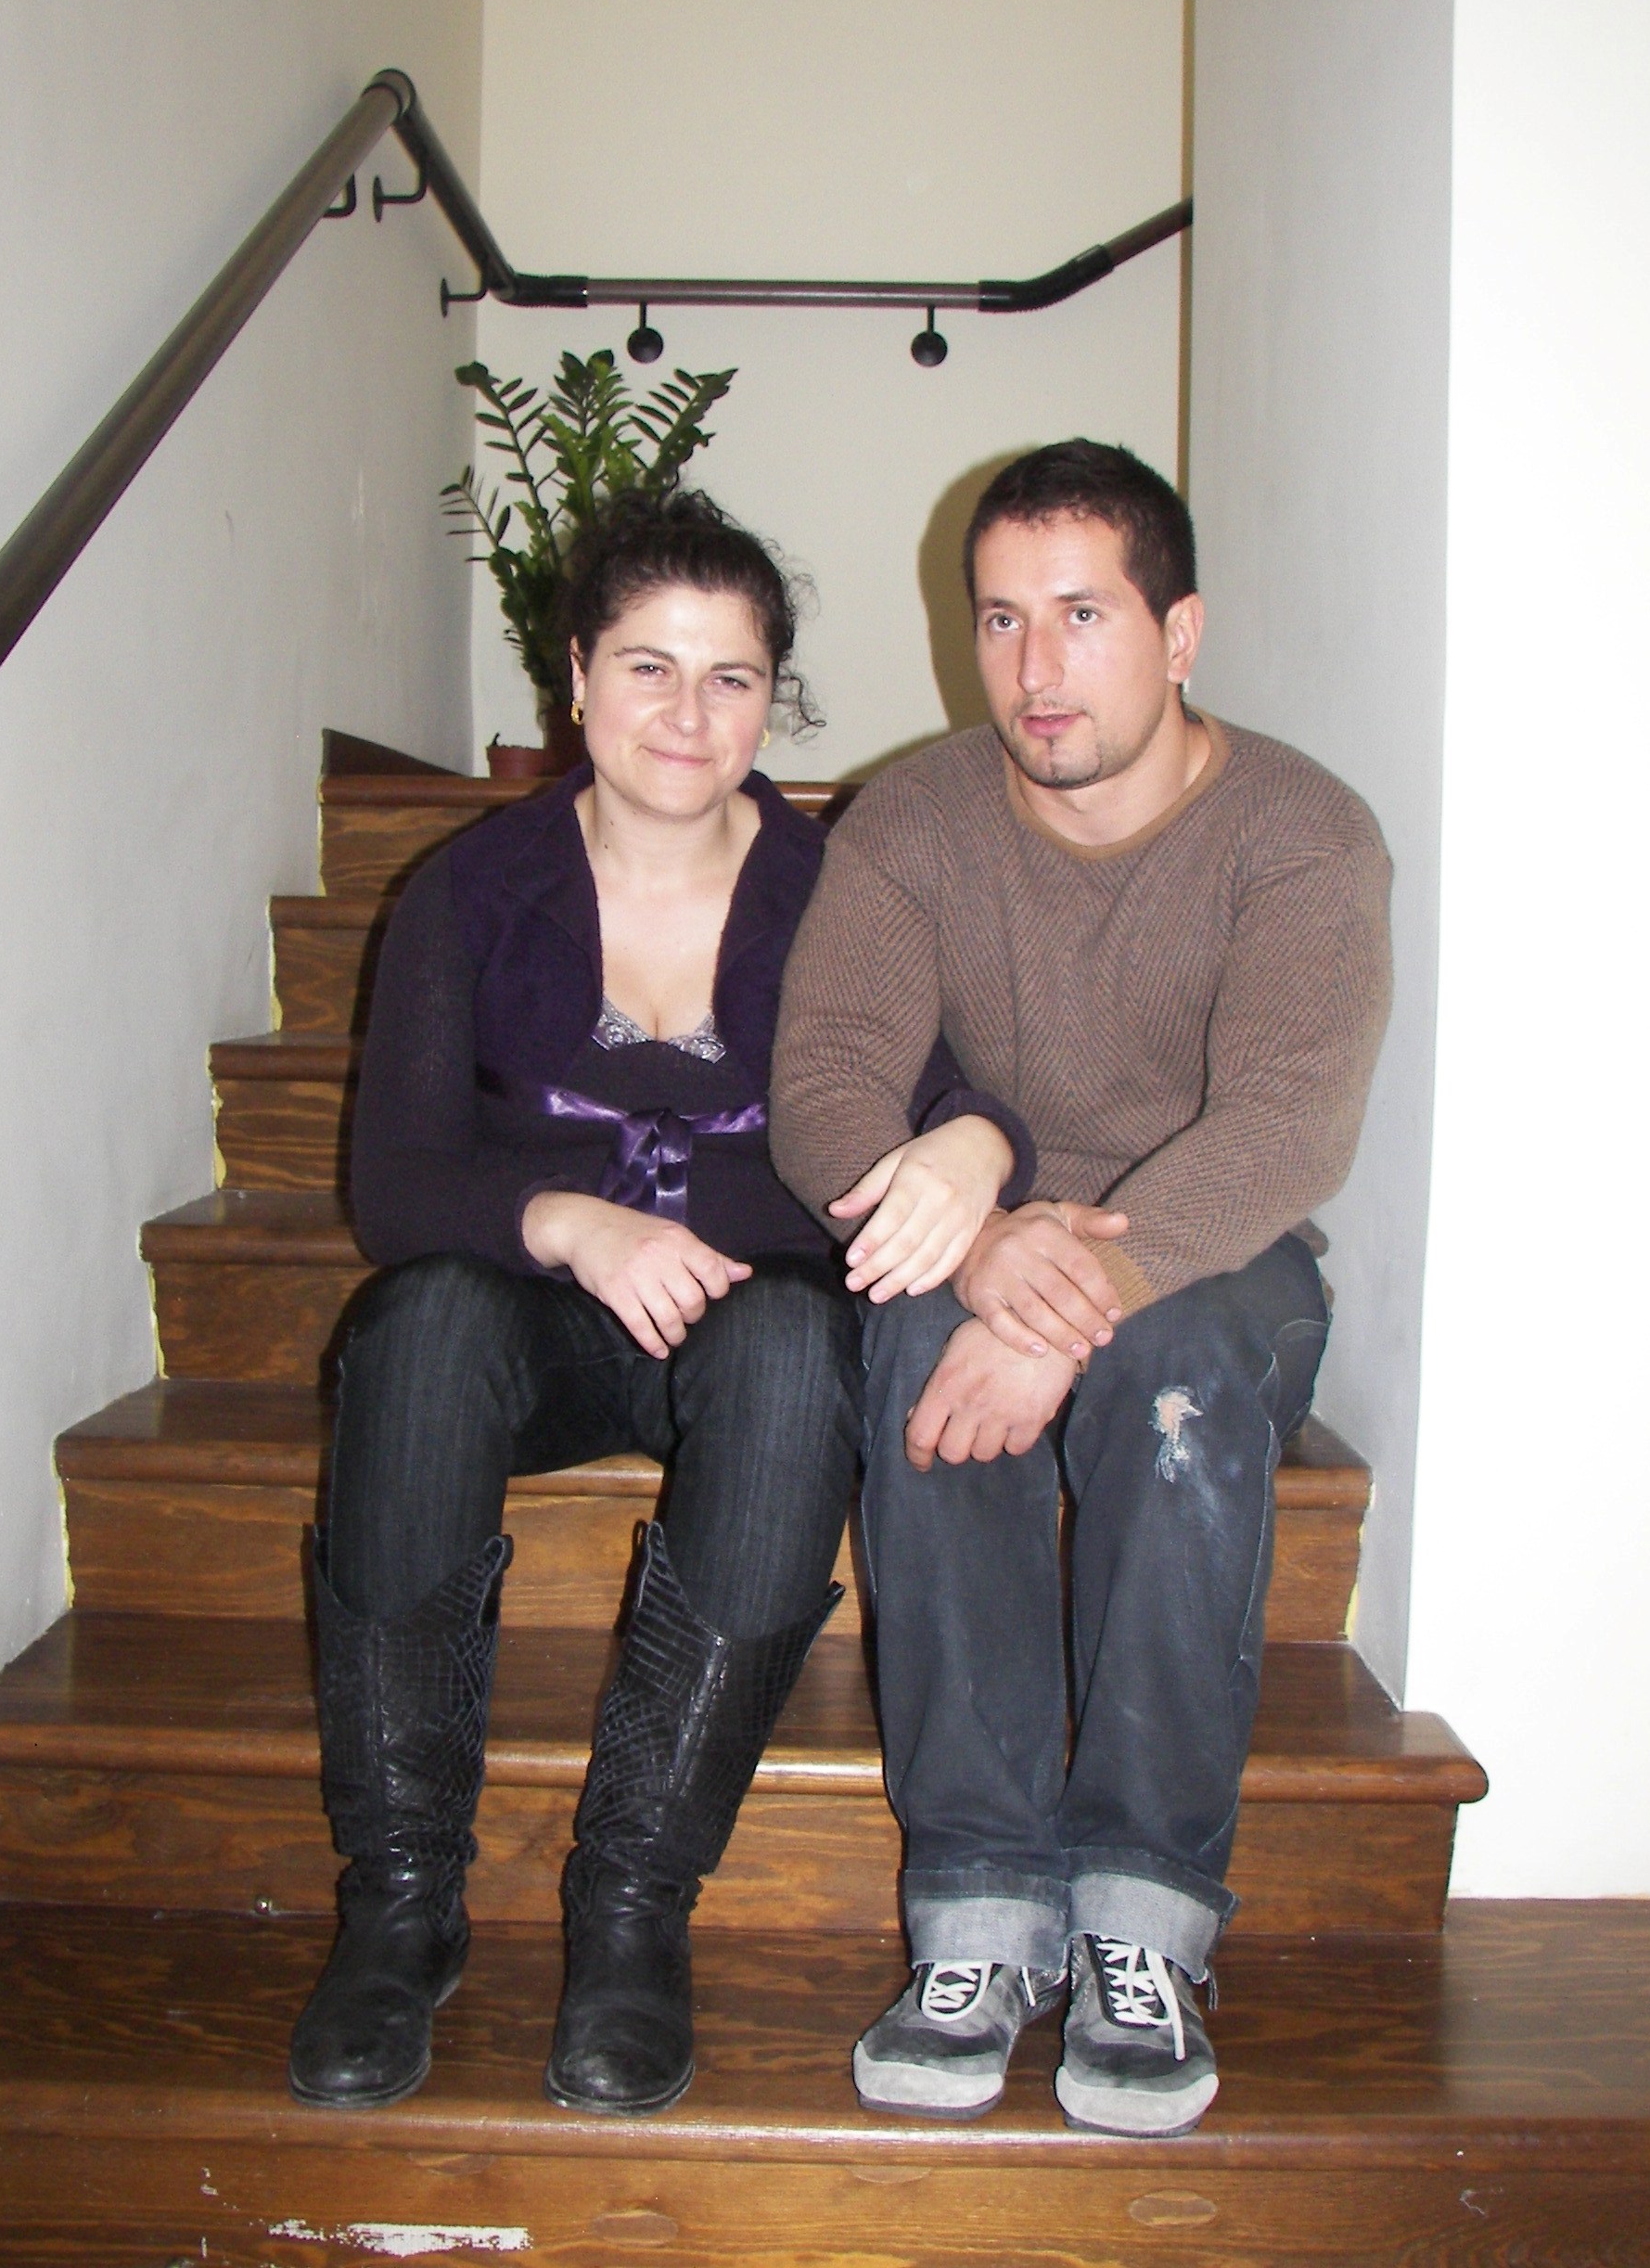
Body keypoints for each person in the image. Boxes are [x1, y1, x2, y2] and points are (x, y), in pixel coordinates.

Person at [288, 490, 1031, 2118]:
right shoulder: (470, 892)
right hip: (534, 1326)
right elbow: (397, 1187)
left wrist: (979, 1141)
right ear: (575, 677)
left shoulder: (843, 889)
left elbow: (973, 1100)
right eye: (648, 666)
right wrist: (572, 1221)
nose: (689, 715)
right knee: (417, 1326)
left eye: (731, 677)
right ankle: (401, 1902)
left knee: (793, 1346)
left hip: (751, 1336)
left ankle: (632, 1905)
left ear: (772, 701)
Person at [771, 440, 1391, 2138]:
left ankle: (1142, 1921)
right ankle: (978, 1913)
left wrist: (1067, 1303)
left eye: (1082, 615)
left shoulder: (1300, 833)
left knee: (1175, 1375)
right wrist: (982, 1251)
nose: (1035, 669)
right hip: (1002, 1228)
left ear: (1179, 633)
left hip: (1216, 1251)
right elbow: (826, 1081)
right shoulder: (913, 820)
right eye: (999, 620)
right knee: (916, 1337)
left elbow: (1287, 1124)